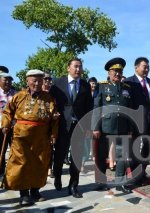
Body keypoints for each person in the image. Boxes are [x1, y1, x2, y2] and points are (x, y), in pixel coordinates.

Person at [1, 69, 58, 206]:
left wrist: (53, 134)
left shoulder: (48, 98)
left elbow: (54, 118)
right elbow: (8, 112)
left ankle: (35, 191)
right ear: (27, 81)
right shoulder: (19, 96)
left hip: (41, 137)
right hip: (21, 137)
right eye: (34, 80)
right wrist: (5, 125)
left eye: (40, 80)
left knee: (40, 163)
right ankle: (24, 193)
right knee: (22, 164)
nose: (37, 83)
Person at [50, 58, 93, 198]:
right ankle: (57, 175)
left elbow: (89, 108)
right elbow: (50, 102)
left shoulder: (86, 85)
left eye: (80, 67)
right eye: (75, 66)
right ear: (68, 68)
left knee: (77, 157)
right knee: (59, 155)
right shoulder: (58, 83)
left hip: (79, 126)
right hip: (63, 126)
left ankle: (74, 185)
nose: (78, 69)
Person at [91, 57, 133, 194]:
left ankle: (120, 183)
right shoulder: (102, 86)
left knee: (121, 156)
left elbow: (130, 109)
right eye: (114, 71)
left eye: (119, 71)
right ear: (109, 73)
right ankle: (101, 181)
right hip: (105, 126)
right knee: (102, 155)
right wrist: (95, 127)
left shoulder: (126, 88)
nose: (117, 74)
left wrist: (130, 128)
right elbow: (97, 108)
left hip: (122, 126)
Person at [125, 57, 150, 185]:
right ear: (136, 67)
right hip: (135, 122)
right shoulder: (129, 82)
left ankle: (141, 171)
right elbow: (127, 104)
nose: (146, 69)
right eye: (144, 67)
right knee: (134, 150)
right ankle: (135, 176)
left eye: (148, 67)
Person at [81, 77, 98, 173]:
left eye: (95, 83)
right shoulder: (85, 94)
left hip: (95, 122)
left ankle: (95, 162)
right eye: (92, 83)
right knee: (86, 144)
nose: (93, 85)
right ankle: (82, 163)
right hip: (86, 122)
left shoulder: (98, 94)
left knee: (95, 143)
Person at [0, 73, 16, 176]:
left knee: (15, 152)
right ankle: (1, 173)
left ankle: (12, 174)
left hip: (14, 127)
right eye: (5, 80)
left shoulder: (16, 94)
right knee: (1, 151)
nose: (7, 82)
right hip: (0, 127)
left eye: (10, 80)